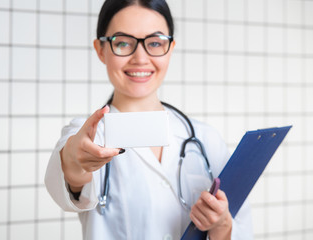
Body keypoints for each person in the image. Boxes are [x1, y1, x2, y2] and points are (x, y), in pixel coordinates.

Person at [45, 0, 253, 239]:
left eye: (154, 43)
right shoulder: (90, 135)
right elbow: (71, 170)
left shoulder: (206, 139)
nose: (140, 58)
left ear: (171, 48)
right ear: (101, 49)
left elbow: (242, 228)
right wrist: (76, 160)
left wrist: (222, 227)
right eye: (123, 43)